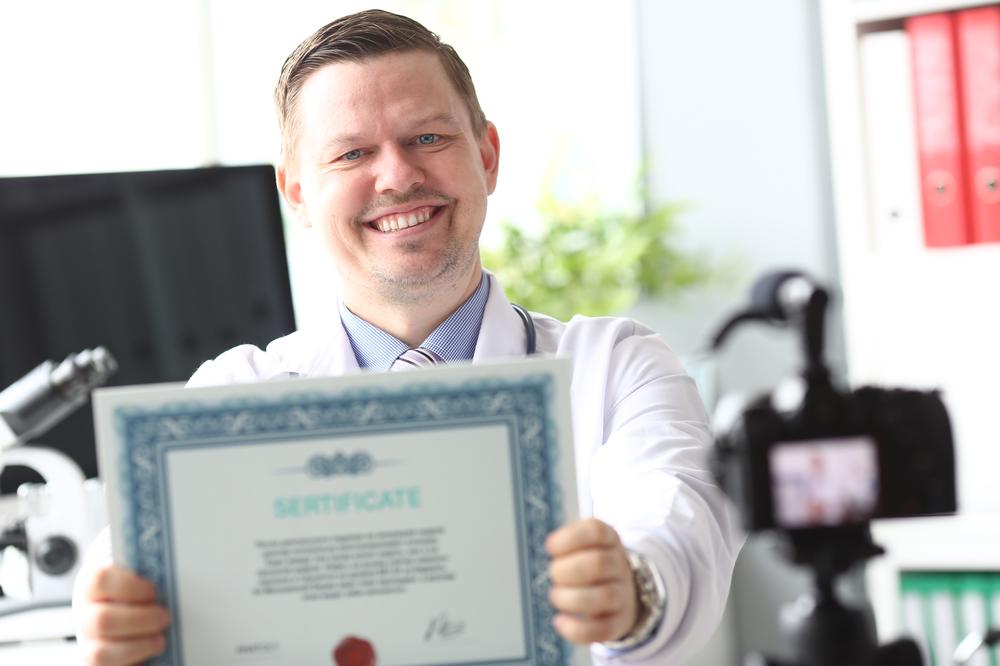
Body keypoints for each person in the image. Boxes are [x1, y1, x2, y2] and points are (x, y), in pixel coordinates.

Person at [72, 9, 743, 665]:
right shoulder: (231, 397)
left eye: (427, 139)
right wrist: (109, 615)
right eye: (352, 152)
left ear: (487, 156)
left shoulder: (616, 368)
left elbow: (682, 521)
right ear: (298, 195)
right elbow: (122, 563)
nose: (396, 177)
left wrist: (631, 588)